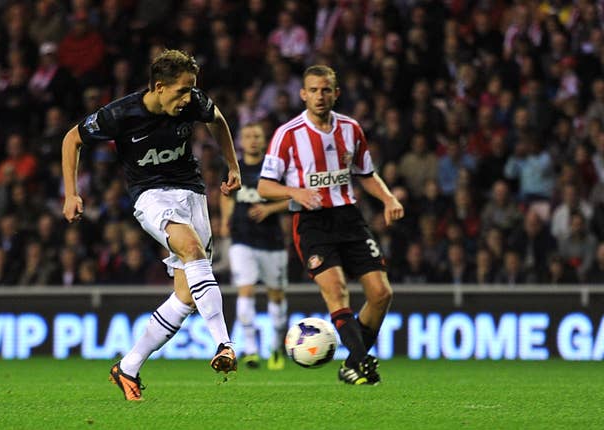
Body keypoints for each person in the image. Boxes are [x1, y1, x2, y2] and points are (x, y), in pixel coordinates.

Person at [62, 49, 241, 401]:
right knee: (190, 248)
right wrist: (72, 193)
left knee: (186, 296)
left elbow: (217, 120)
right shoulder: (121, 113)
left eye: (192, 90)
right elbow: (72, 139)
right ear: (159, 87)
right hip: (150, 195)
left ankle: (127, 367)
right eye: (181, 91)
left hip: (192, 192)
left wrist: (232, 165)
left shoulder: (194, 103)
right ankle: (225, 343)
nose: (188, 98)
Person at [257, 65, 404, 385]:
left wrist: (389, 198)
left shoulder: (351, 129)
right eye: (313, 90)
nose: (319, 96)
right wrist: (294, 191)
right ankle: (362, 362)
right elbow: (265, 186)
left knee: (381, 293)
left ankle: (352, 362)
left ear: (336, 93)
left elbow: (365, 173)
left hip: (349, 218)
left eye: (326, 90)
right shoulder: (288, 134)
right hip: (312, 223)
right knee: (336, 292)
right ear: (303, 94)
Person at [220, 123, 290, 370]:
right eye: (248, 136)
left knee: (276, 296)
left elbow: (292, 196)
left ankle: (275, 348)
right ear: (240, 140)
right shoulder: (234, 167)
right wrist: (226, 218)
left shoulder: (273, 168)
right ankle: (250, 349)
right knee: (246, 291)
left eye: (257, 136)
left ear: (264, 140)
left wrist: (269, 208)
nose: (252, 140)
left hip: (272, 240)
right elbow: (225, 192)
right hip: (243, 239)